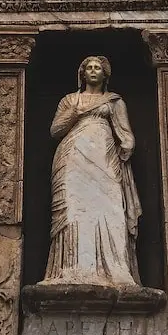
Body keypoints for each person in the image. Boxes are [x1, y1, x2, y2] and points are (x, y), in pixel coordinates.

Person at [42, 55, 142, 289]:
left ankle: (116, 270)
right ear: (82, 73)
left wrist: (127, 146)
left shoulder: (114, 102)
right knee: (75, 210)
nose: (94, 71)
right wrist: (74, 114)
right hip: (73, 158)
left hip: (105, 160)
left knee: (111, 209)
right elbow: (55, 130)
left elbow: (126, 134)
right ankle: (73, 269)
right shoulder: (70, 100)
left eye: (98, 68)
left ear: (105, 74)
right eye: (89, 68)